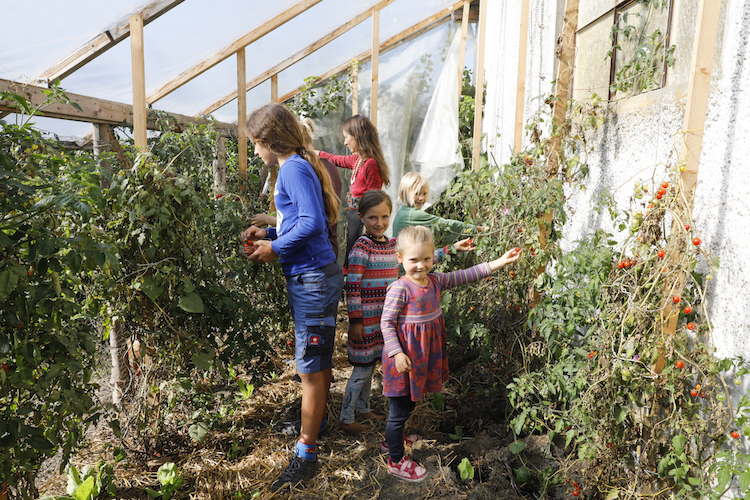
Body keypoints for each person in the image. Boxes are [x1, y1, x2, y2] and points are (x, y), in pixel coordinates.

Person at [240, 103, 342, 493]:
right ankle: (319, 423)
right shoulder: (299, 162)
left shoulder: (293, 167)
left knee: (309, 371)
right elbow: (302, 218)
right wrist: (269, 236)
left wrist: (276, 249)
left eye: (255, 145)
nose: (255, 152)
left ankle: (306, 454)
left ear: (268, 141)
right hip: (316, 277)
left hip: (312, 280)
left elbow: (313, 224)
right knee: (317, 363)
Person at [380, 226, 521, 482]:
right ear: (400, 258)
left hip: (421, 359)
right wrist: (397, 353)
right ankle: (395, 459)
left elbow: (467, 275)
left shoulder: (435, 281)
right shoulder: (400, 289)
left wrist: (500, 262)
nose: (421, 265)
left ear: (434, 256)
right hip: (404, 360)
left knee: (409, 403)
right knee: (399, 409)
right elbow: (386, 323)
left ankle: (394, 439)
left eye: (427, 258)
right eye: (413, 260)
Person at [341, 191, 474, 436]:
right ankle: (347, 417)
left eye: (384, 217)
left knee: (373, 367)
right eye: (372, 218)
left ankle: (364, 408)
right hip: (368, 322)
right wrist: (356, 320)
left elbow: (421, 258)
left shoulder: (393, 246)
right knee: (362, 369)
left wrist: (452, 248)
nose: (379, 223)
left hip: (389, 321)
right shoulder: (362, 246)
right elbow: (352, 284)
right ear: (361, 218)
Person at [253, 118, 343, 258]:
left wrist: (274, 243)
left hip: (315, 254)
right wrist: (269, 233)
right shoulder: (319, 166)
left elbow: (312, 221)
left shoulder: (298, 170)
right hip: (321, 250)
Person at [314, 115, 390, 269]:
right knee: (351, 250)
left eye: (347, 137)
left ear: (358, 137)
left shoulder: (371, 164)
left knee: (357, 252)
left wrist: (368, 224)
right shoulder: (357, 160)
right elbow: (335, 159)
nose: (345, 142)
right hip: (355, 214)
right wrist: (313, 153)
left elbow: (373, 199)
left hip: (363, 217)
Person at [392, 171, 482, 243]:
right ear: (404, 193)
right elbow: (445, 224)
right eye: (417, 193)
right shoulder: (412, 214)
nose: (421, 198)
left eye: (424, 193)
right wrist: (477, 229)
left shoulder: (402, 211)